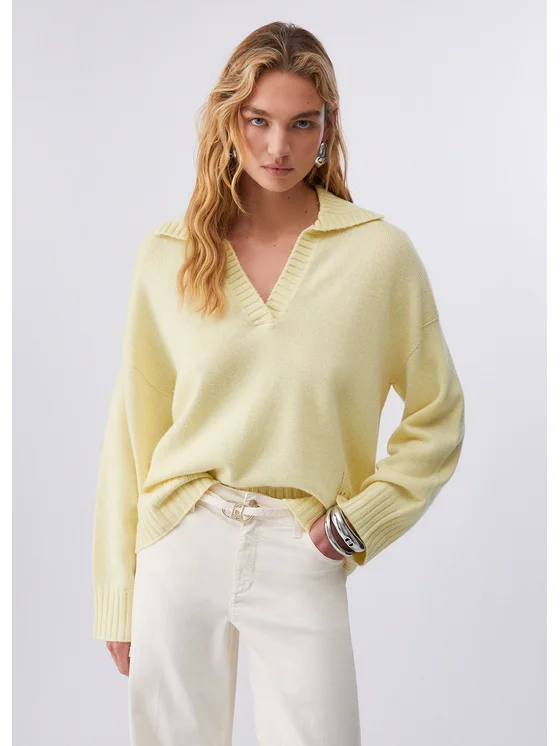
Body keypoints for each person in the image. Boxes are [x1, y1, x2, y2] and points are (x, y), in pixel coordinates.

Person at [91, 20, 466, 746]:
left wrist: (359, 523)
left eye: (302, 123)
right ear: (229, 121)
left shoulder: (378, 256)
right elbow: (130, 430)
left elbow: (438, 414)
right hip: (180, 541)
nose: (278, 148)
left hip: (304, 547)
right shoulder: (169, 255)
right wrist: (117, 590)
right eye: (258, 120)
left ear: (327, 128)